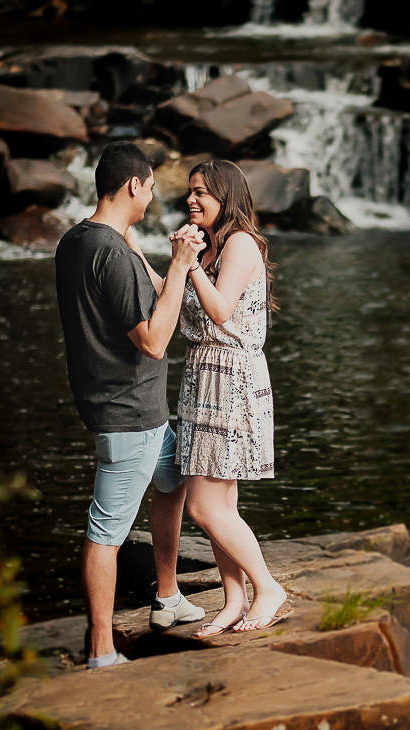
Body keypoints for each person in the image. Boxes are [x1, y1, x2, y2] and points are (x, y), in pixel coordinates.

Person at [55, 142, 208, 668]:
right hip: (127, 415)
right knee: (106, 531)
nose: (152, 197)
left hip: (141, 411)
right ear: (134, 186)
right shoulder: (113, 253)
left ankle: (166, 598)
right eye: (149, 187)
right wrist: (184, 263)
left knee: (173, 483)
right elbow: (154, 340)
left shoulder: (79, 240)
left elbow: (125, 287)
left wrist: (147, 255)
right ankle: (100, 649)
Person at [174, 159, 291, 636]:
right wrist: (142, 260)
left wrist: (187, 264)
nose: (191, 200)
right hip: (204, 376)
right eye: (189, 192)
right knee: (223, 506)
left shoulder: (240, 243)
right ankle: (234, 600)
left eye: (201, 192)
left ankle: (267, 587)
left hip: (231, 378)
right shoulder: (209, 247)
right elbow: (179, 299)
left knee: (203, 507)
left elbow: (220, 309)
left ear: (227, 196)